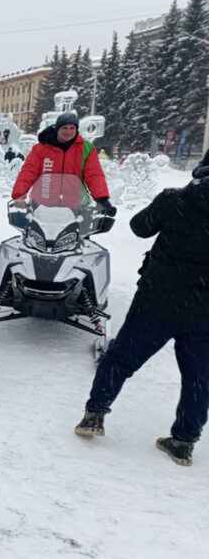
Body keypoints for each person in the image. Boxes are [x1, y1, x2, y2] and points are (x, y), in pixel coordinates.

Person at [74, 168, 209, 466]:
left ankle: (95, 414)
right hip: (204, 311)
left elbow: (139, 226)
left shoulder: (175, 199)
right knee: (199, 377)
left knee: (121, 358)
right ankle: (184, 441)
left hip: (157, 300)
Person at [11, 112, 113, 212]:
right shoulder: (41, 148)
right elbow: (28, 172)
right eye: (64, 128)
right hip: (42, 204)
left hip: (76, 206)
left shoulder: (86, 148)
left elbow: (94, 174)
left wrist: (101, 198)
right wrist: (19, 195)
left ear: (76, 129)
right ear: (57, 128)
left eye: (72, 128)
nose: (68, 131)